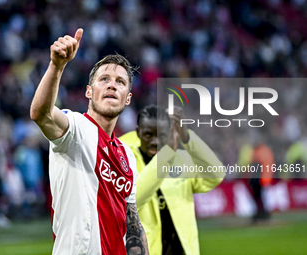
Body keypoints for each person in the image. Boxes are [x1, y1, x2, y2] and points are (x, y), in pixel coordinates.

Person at [30, 28, 149, 255]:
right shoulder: (75, 128)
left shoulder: (127, 155)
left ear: (128, 99)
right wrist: (57, 66)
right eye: (104, 79)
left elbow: (133, 224)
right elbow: (41, 113)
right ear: (88, 92)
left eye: (120, 82)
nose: (112, 85)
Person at [119, 105, 225, 255]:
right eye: (149, 135)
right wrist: (166, 155)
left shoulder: (181, 159)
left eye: (161, 135)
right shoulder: (125, 160)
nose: (155, 141)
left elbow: (216, 174)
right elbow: (133, 201)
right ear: (138, 132)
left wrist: (187, 137)